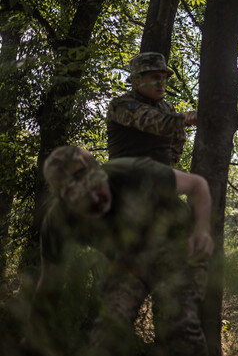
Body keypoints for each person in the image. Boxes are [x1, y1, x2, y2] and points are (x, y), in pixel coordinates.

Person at [30, 145, 214, 355]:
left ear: (101, 173)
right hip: (129, 262)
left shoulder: (132, 171)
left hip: (177, 249)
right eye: (81, 198)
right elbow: (49, 283)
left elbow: (197, 185)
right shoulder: (58, 221)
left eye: (95, 186)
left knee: (177, 326)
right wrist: (34, 333)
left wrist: (202, 230)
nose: (94, 199)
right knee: (107, 335)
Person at [107, 52, 197, 165]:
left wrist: (169, 162)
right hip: (124, 174)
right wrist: (185, 119)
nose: (161, 83)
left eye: (164, 78)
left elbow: (179, 139)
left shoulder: (167, 108)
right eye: (155, 77)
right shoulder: (121, 105)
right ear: (137, 80)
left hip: (158, 174)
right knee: (196, 182)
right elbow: (153, 121)